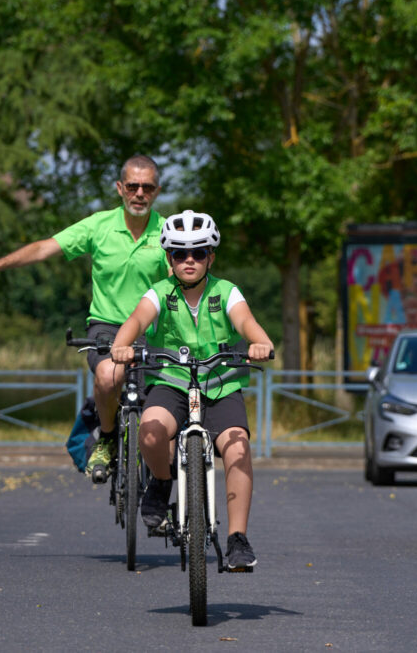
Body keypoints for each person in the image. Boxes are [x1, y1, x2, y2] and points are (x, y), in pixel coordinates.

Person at [0, 155, 167, 480]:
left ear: (157, 191)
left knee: (169, 406)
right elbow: (44, 248)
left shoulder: (168, 231)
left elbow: (186, 280)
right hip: (108, 327)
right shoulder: (99, 226)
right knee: (109, 377)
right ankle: (108, 438)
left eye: (147, 187)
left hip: (153, 330)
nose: (139, 193)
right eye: (132, 186)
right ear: (120, 188)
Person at [110, 210, 274, 570]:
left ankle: (237, 539)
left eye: (198, 253)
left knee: (237, 446)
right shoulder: (160, 292)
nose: (189, 260)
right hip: (171, 382)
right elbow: (136, 320)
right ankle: (161, 483)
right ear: (169, 258)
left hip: (220, 383)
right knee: (151, 433)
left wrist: (260, 342)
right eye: (180, 254)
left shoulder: (226, 291)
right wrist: (121, 346)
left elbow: (246, 321)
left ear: (210, 257)